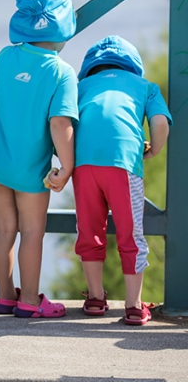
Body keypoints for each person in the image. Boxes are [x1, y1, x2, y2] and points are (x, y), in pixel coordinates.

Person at [0, 0, 77, 318]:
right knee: (32, 232)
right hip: (29, 168)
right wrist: (67, 167)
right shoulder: (62, 72)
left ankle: (5, 295)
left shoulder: (5, 56)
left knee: (4, 229)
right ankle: (30, 300)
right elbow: (59, 124)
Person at [67, 35, 171, 326]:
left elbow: (63, 121)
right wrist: (156, 149)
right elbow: (160, 123)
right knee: (130, 233)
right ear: (132, 66)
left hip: (84, 165)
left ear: (90, 67)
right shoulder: (146, 87)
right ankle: (134, 306)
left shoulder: (80, 87)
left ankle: (96, 299)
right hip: (124, 164)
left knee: (89, 230)